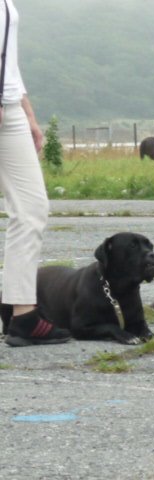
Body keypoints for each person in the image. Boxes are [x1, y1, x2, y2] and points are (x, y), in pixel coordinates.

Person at [1, 0, 71, 346]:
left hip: (10, 106)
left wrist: (27, 113)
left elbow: (7, 59)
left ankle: (22, 313)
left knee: (31, 209)